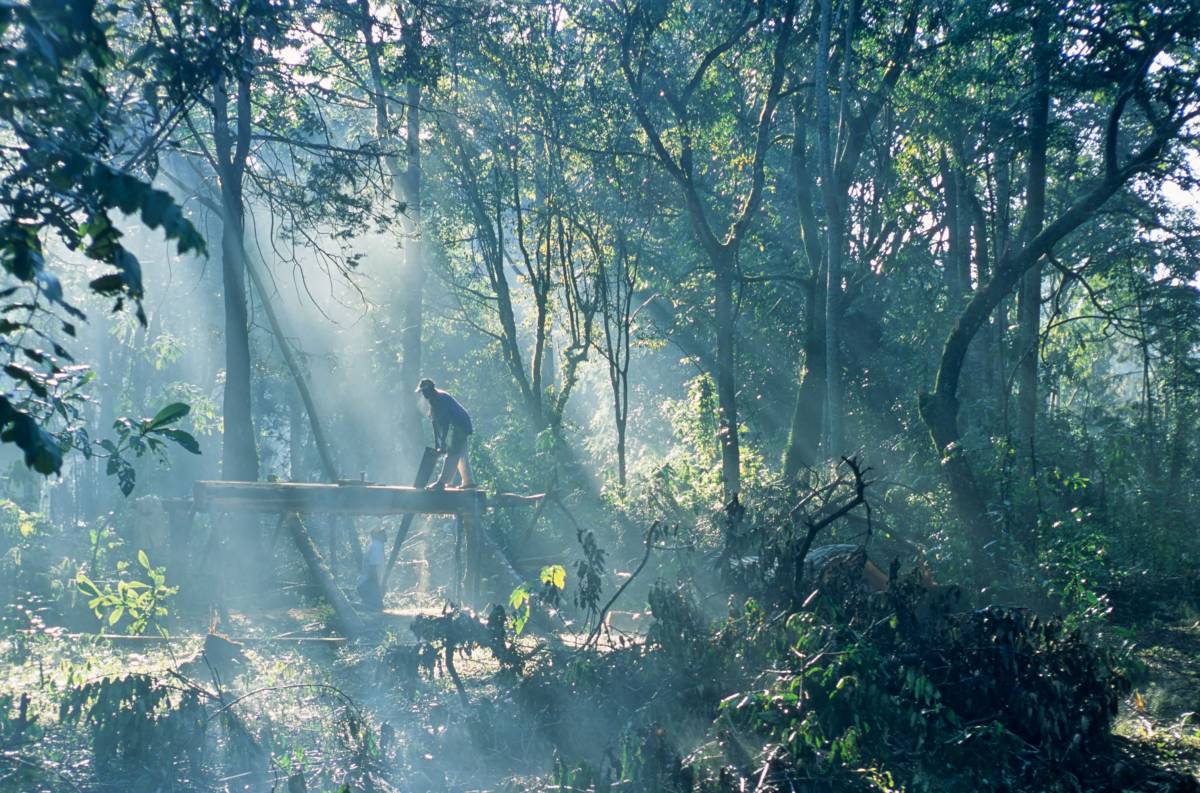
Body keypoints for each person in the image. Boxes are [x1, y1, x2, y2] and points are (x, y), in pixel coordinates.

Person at [415, 378, 476, 490]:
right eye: (422, 392)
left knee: (452, 452)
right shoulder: (433, 400)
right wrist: (437, 445)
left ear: (430, 390)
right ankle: (468, 482)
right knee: (460, 452)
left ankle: (442, 482)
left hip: (460, 424)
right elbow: (435, 424)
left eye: (424, 391)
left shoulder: (439, 399)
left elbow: (445, 423)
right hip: (461, 423)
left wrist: (443, 443)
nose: (423, 394)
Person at [356, 527, 387, 611]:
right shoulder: (377, 546)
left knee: (371, 610)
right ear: (377, 535)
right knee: (376, 611)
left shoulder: (374, 545)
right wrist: (376, 587)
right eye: (382, 532)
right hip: (369, 584)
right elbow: (373, 567)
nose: (385, 534)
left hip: (366, 584)